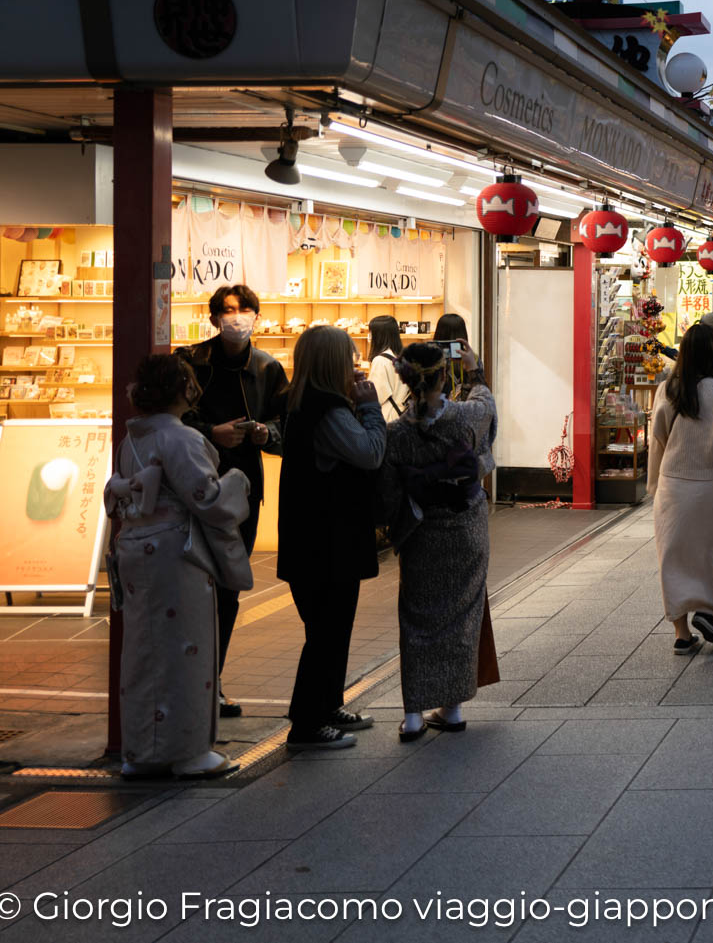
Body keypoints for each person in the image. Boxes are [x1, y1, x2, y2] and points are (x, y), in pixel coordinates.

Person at [106, 354, 252, 779]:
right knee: (186, 647)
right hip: (175, 553)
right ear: (185, 390)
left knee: (143, 652)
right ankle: (188, 752)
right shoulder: (181, 438)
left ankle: (139, 751)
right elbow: (206, 498)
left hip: (134, 545)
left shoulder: (131, 440)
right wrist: (237, 483)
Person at [378, 342, 498, 739]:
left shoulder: (396, 433)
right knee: (463, 616)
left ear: (405, 380)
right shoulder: (465, 418)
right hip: (466, 528)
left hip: (421, 530)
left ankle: (413, 714)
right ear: (445, 376)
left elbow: (389, 491)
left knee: (416, 618)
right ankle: (453, 707)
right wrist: (476, 371)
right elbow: (487, 408)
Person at [180, 283, 287, 719]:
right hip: (191, 486)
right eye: (228, 310)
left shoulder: (267, 367)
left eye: (244, 310)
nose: (237, 317)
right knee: (189, 586)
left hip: (242, 491)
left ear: (257, 316)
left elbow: (286, 426)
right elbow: (174, 417)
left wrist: (267, 433)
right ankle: (187, 679)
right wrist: (211, 434)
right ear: (213, 318)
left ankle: (212, 682)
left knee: (228, 590)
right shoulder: (190, 362)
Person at [277, 325, 386, 750]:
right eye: (349, 357)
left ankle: (327, 705)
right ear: (332, 363)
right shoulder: (328, 410)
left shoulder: (299, 404)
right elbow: (370, 452)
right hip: (327, 544)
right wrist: (373, 408)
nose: (355, 364)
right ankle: (306, 724)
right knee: (325, 631)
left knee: (331, 628)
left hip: (311, 541)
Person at [649, 326, 713, 655]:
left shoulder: (667, 389)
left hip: (671, 484)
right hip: (708, 483)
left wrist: (653, 484)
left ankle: (681, 633)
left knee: (672, 557)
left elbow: (657, 441)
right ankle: (706, 609)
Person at [366, 315, 408, 423]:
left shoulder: (380, 360)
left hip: (388, 416)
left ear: (378, 335)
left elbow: (377, 396)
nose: (369, 336)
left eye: (371, 332)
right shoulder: (401, 356)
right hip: (403, 414)